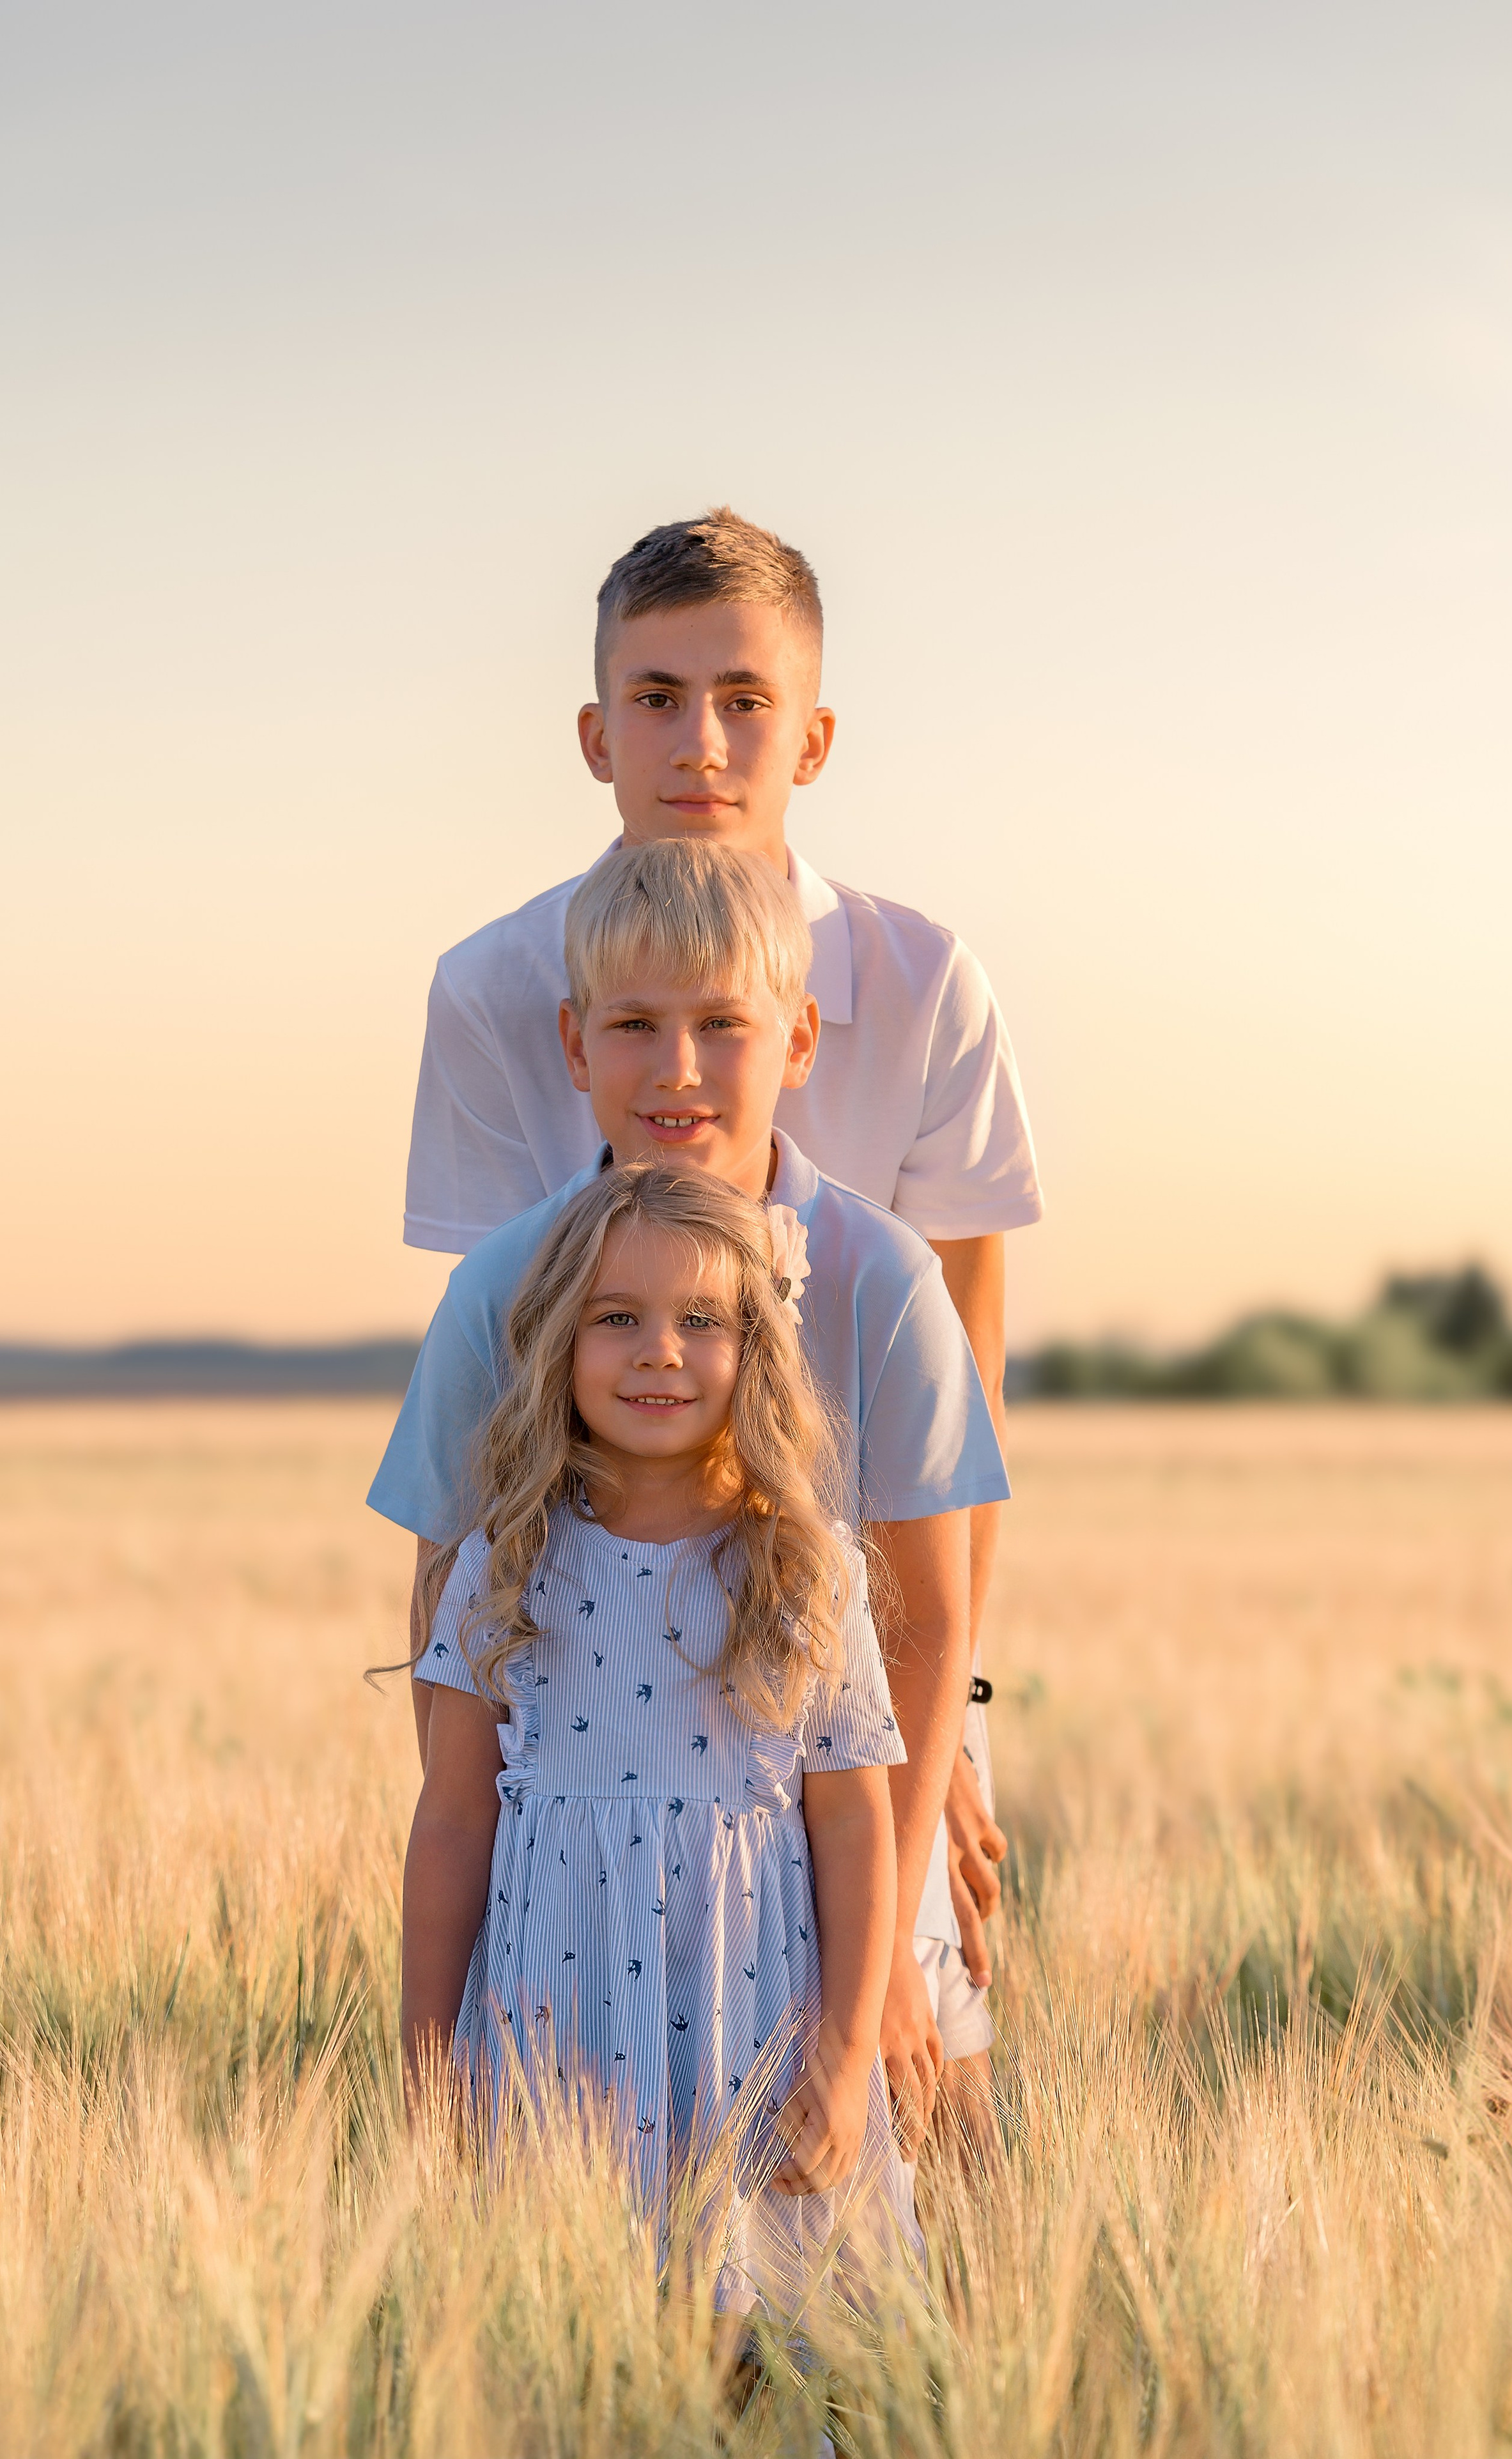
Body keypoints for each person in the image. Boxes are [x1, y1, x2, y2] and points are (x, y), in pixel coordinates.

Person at [398, 508, 1039, 2127]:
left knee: (915, 2090)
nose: (702, 741)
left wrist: (943, 1730)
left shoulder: (920, 975)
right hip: (597, 1662)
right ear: (594, 729)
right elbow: (492, 1401)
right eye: (661, 695)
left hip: (853, 1652)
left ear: (811, 732)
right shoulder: (491, 989)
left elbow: (958, 1396)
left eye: (745, 698)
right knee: (589, 2144)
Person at [401, 1160, 919, 2316]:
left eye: (701, 1321)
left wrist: (844, 2056)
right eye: (616, 1318)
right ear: (554, 1344)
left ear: (758, 1350)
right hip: (555, 2029)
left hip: (752, 2019)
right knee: (563, 2359)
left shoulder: (806, 1572)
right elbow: (449, 1820)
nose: (659, 1351)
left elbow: (853, 1818)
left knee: (771, 2364)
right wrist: (427, 2061)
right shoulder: (503, 1566)